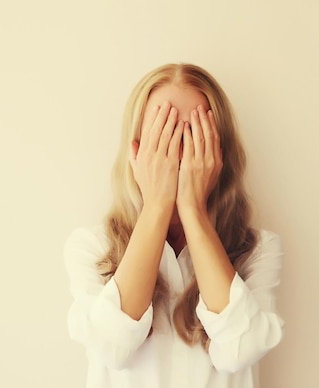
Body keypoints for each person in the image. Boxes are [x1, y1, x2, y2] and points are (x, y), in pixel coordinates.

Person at [64, 63, 284, 388]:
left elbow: (240, 349)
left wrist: (193, 209)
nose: (177, 154)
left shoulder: (259, 249)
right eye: (162, 135)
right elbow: (112, 348)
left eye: (193, 136)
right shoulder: (92, 247)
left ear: (218, 150)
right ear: (136, 149)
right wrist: (156, 205)